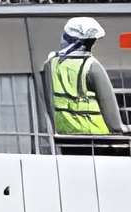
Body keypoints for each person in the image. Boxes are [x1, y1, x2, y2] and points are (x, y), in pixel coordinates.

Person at [46, 16, 126, 144]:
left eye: (65, 35)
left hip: (64, 137)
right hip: (97, 139)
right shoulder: (92, 67)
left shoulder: (51, 64)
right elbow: (115, 125)